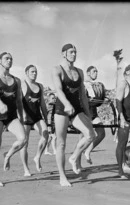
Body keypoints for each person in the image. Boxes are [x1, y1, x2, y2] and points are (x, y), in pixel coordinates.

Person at [51, 43, 96, 187]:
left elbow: (82, 95)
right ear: (63, 54)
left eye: (75, 52)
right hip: (61, 109)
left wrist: (88, 115)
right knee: (61, 143)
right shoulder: (57, 69)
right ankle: (62, 176)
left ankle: (74, 156)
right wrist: (67, 104)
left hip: (76, 109)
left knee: (91, 135)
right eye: (71, 52)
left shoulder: (80, 72)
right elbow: (58, 89)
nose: (74, 54)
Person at [0, 52, 27, 187]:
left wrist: (21, 119)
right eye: (6, 58)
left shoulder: (16, 81)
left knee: (23, 139)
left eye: (11, 59)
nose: (9, 60)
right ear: (0, 61)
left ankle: (8, 155)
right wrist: (0, 104)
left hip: (11, 117)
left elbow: (19, 102)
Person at [19, 65, 49, 176]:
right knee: (24, 144)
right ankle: (26, 169)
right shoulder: (22, 84)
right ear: (26, 73)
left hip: (37, 117)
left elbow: (42, 104)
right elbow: (18, 102)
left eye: (36, 72)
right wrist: (21, 116)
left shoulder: (40, 86)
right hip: (26, 118)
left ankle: (37, 157)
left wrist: (46, 118)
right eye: (32, 72)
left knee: (46, 135)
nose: (34, 74)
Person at [76, 66, 106, 166]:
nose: (96, 73)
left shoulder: (96, 85)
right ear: (88, 73)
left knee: (101, 133)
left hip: (93, 113)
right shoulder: (82, 84)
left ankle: (88, 151)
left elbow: (98, 98)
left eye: (97, 71)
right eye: (94, 71)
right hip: (84, 113)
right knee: (82, 138)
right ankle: (78, 163)